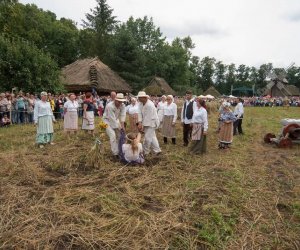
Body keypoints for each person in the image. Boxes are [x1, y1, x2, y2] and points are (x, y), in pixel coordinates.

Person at [137, 91, 161, 155]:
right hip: (146, 121)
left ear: (144, 98)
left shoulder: (150, 105)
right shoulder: (140, 104)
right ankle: (157, 150)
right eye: (138, 97)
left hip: (152, 122)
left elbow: (148, 117)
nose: (138, 99)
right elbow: (139, 113)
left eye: (140, 98)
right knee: (152, 137)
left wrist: (142, 127)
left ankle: (145, 152)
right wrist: (139, 122)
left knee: (147, 138)